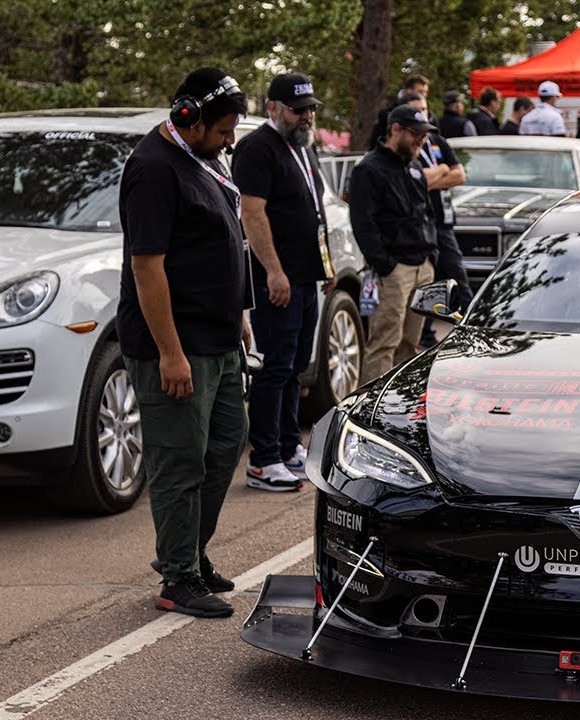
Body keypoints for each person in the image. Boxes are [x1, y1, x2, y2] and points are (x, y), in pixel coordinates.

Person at [118, 67, 250, 618]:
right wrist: (170, 352)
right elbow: (148, 268)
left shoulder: (201, 159)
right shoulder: (153, 169)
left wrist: (239, 313)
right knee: (180, 461)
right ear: (188, 119)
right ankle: (177, 578)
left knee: (225, 445)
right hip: (176, 345)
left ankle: (190, 553)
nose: (231, 140)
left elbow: (222, 241)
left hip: (218, 337)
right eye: (223, 130)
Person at [233, 72, 334, 492]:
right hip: (278, 278)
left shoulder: (302, 149)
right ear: (274, 109)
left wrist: (325, 266)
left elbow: (313, 209)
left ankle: (290, 443)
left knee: (296, 366)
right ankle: (264, 458)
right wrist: (274, 271)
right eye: (298, 110)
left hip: (307, 276)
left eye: (310, 108)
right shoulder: (257, 148)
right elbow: (252, 214)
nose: (306, 116)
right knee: (275, 366)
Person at [350, 106, 439, 382]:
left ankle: (398, 410)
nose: (421, 141)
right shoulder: (368, 169)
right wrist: (385, 264)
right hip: (393, 271)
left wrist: (431, 255)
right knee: (384, 343)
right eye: (416, 134)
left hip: (422, 267)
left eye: (424, 135)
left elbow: (427, 212)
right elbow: (363, 224)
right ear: (395, 129)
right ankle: (368, 411)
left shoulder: (414, 165)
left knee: (408, 346)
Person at [416, 123, 473, 348]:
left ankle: (471, 326)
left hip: (444, 223)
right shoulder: (408, 148)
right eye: (416, 107)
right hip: (422, 224)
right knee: (428, 281)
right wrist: (441, 170)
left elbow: (459, 175)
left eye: (424, 106)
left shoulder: (438, 140)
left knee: (457, 276)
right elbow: (416, 180)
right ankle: (425, 336)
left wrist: (430, 179)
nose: (422, 112)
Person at [372, 75, 429, 145]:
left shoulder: (430, 116)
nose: (424, 95)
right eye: (420, 91)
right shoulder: (388, 115)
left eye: (425, 92)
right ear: (409, 91)